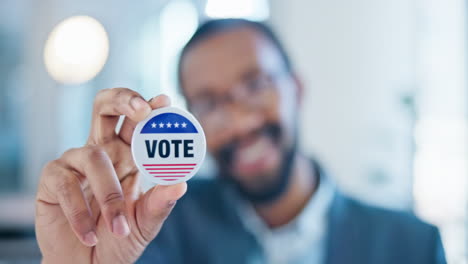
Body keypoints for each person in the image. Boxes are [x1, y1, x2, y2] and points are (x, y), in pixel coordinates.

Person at [36, 19, 446, 264]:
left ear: (296, 90)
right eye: (210, 104)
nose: (238, 121)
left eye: (255, 85)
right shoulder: (151, 230)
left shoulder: (410, 244)